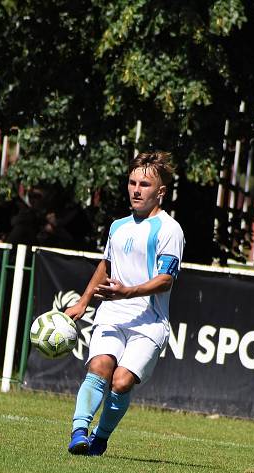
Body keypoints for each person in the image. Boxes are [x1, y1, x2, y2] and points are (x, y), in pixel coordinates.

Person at [63, 151, 185, 455]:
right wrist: (84, 301)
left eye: (144, 184)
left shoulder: (170, 230)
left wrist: (127, 291)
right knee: (100, 367)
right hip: (112, 313)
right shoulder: (118, 226)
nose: (136, 189)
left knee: (121, 381)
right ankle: (79, 431)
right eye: (132, 182)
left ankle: (100, 438)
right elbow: (105, 265)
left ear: (161, 192)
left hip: (149, 321)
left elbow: (165, 280)